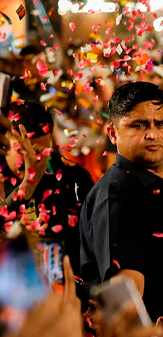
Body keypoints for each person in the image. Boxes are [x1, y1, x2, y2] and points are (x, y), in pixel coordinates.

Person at [79, 82, 163, 322]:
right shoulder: (117, 194)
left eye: (161, 124)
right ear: (113, 133)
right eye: (139, 125)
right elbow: (125, 298)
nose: (152, 134)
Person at [1, 102, 94, 268]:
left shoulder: (75, 176)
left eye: (40, 153)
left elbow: (92, 241)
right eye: (23, 152)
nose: (33, 161)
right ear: (4, 143)